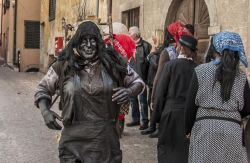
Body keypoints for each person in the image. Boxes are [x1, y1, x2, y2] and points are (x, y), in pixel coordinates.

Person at [34, 21, 144, 163]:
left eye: (93, 40)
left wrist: (129, 91)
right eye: (84, 40)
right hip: (73, 142)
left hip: (106, 141)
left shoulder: (114, 63)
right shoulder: (63, 65)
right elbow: (43, 88)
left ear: (99, 42)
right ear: (76, 43)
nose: (89, 45)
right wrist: (45, 111)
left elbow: (139, 83)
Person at [185, 31, 250, 163]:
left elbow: (190, 105)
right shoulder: (241, 76)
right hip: (232, 131)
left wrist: (187, 129)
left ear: (214, 50)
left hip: (204, 129)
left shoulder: (200, 70)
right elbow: (247, 109)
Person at [155, 35, 197, 163]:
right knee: (184, 150)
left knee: (167, 148)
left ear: (182, 48)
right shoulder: (198, 68)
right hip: (189, 117)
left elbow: (160, 93)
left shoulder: (170, 66)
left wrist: (156, 118)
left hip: (170, 114)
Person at [148, 22, 192, 138]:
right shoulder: (192, 57)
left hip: (170, 102)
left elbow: (159, 77)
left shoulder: (167, 52)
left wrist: (153, 98)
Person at [126, 26, 152, 130]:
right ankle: (135, 119)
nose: (128, 34)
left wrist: (147, 78)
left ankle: (145, 121)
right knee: (133, 100)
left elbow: (149, 63)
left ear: (135, 34)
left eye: (130, 33)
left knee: (142, 101)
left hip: (142, 78)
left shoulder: (146, 46)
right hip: (132, 78)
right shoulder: (129, 45)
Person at [141, 29, 164, 135]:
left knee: (156, 104)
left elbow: (156, 66)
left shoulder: (161, 50)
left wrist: (150, 56)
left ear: (158, 37)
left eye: (154, 36)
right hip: (151, 81)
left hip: (157, 81)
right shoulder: (154, 49)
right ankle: (152, 125)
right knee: (150, 102)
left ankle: (158, 128)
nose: (152, 38)